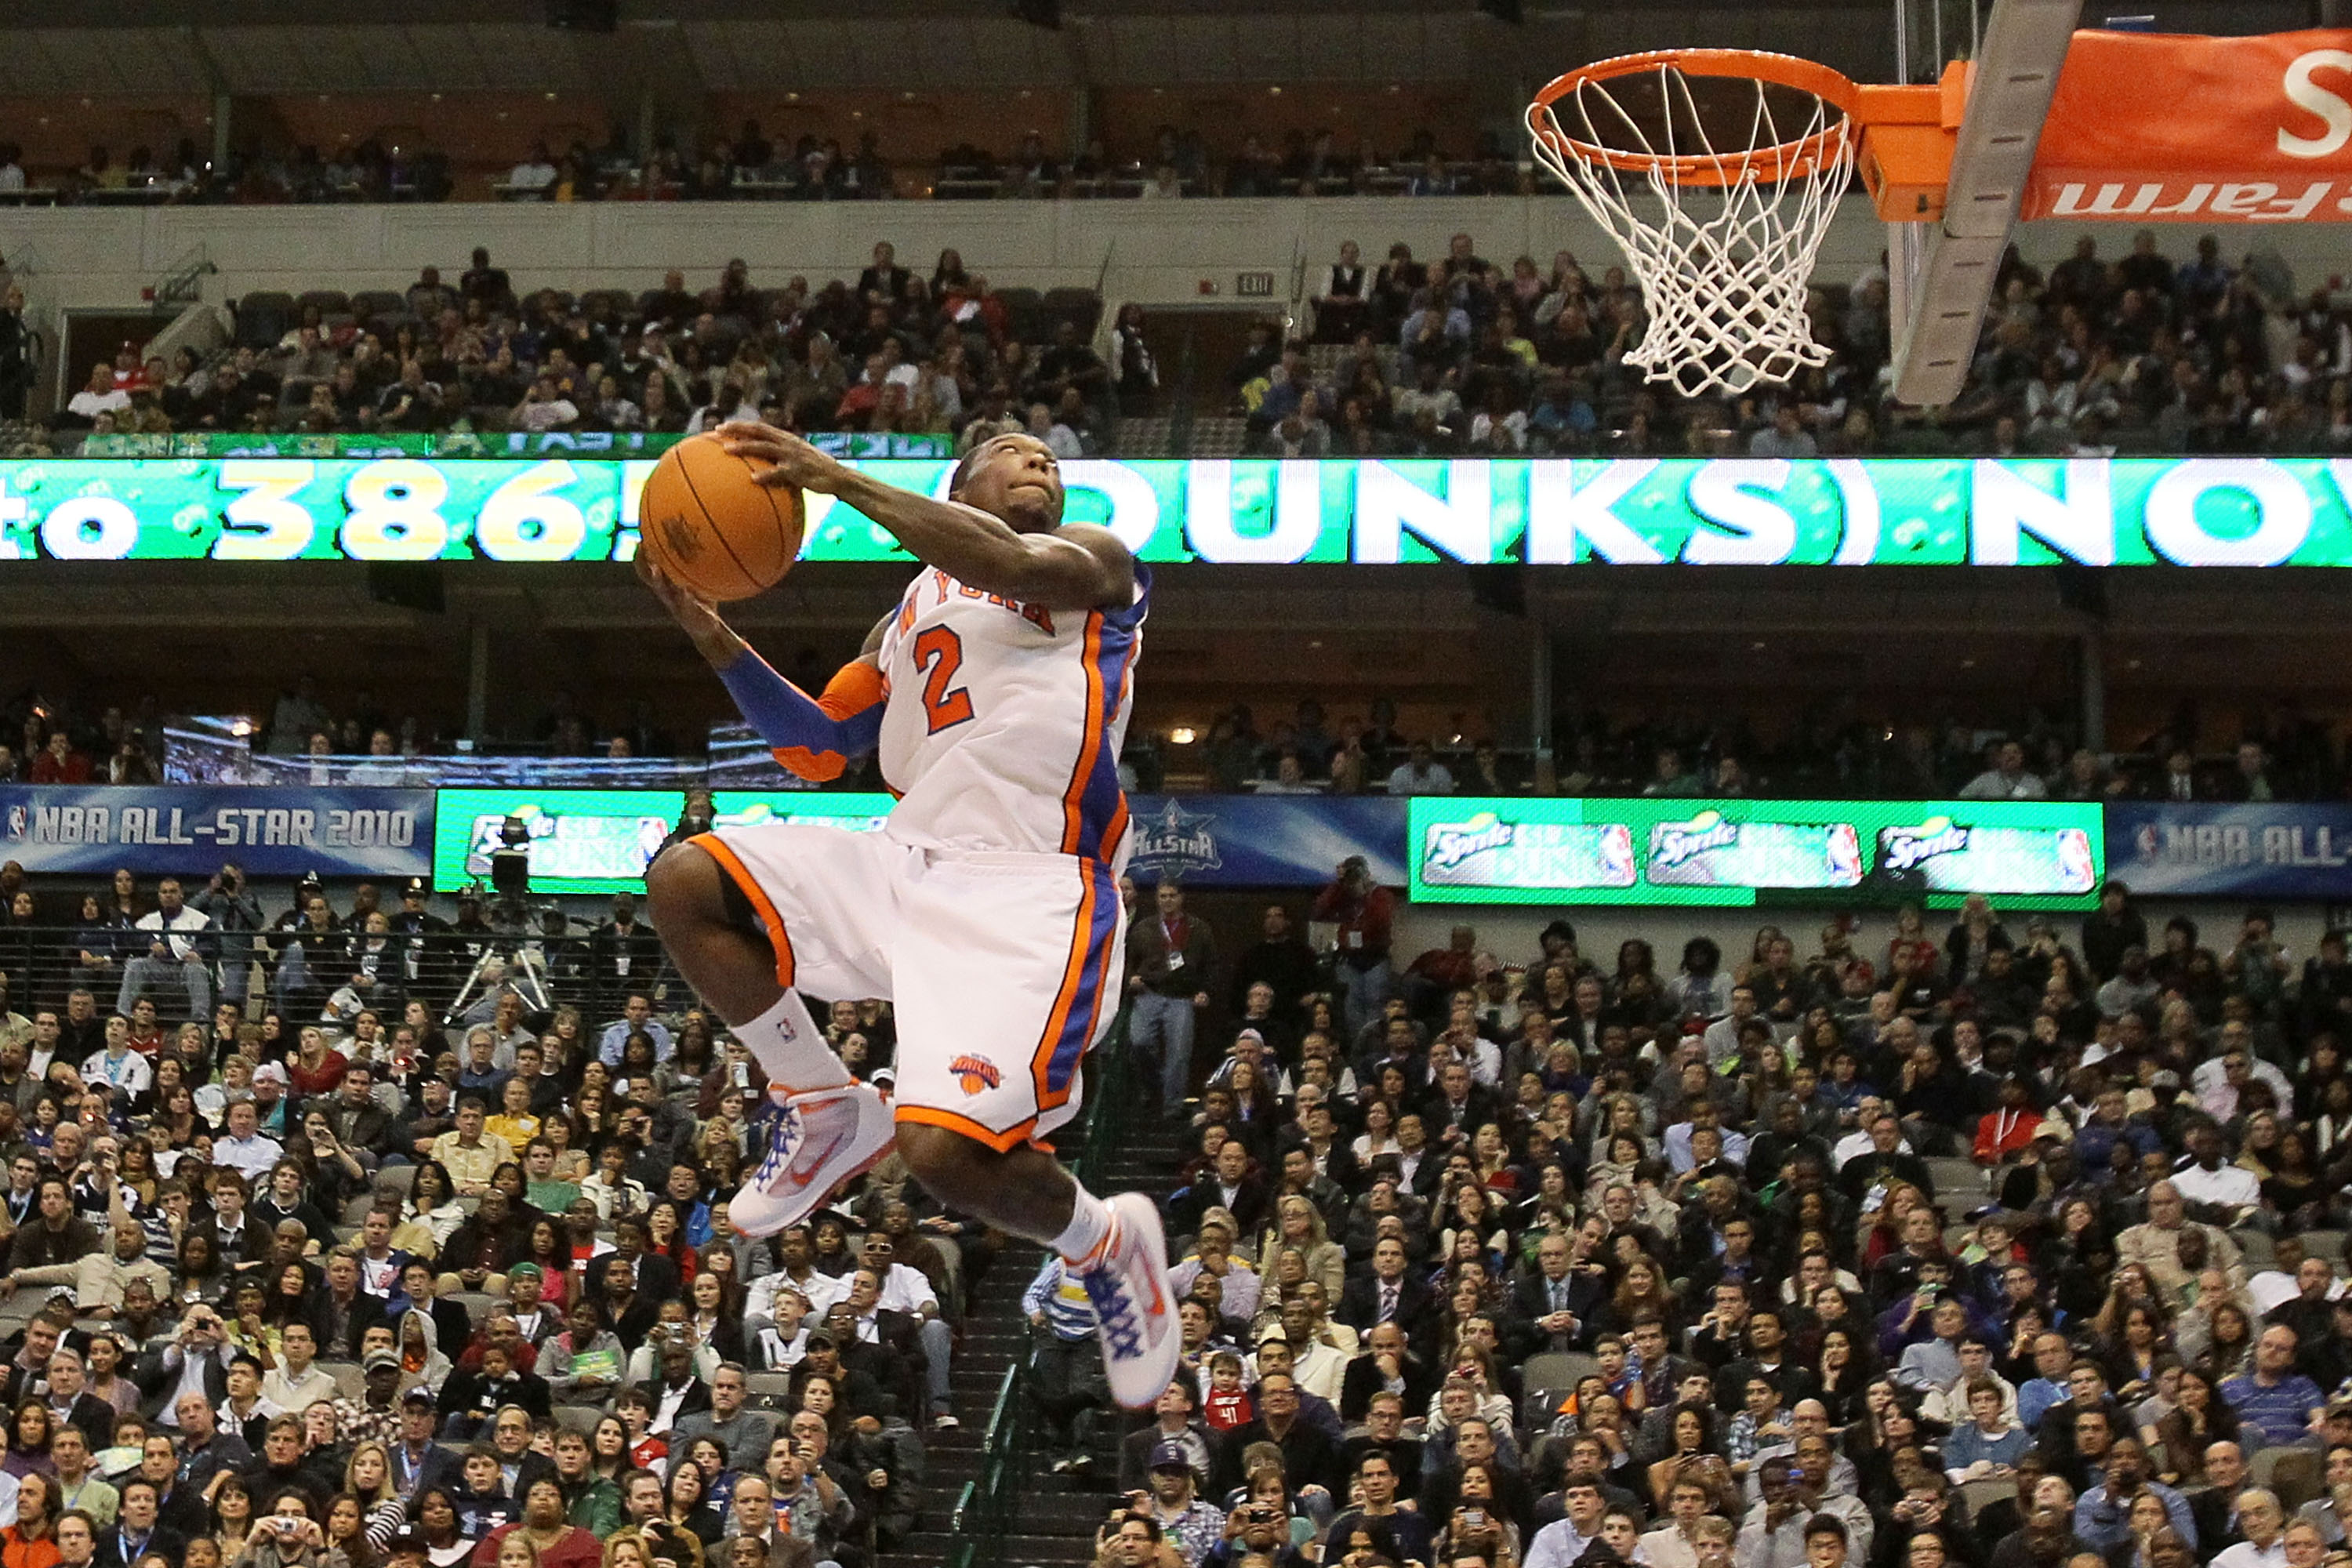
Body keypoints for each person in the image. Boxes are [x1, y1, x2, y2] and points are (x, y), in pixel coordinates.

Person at [637, 426, 1178, 1410]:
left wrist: (836, 479)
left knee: (945, 1158)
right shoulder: (911, 609)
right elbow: (819, 746)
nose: (1041, 468)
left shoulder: (1097, 560)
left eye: (1049, 461)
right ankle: (823, 1099)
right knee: (686, 880)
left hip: (1030, 889)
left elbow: (1003, 558)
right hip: (904, 857)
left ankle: (1105, 1239)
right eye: (1015, 454)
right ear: (960, 481)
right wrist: (709, 629)